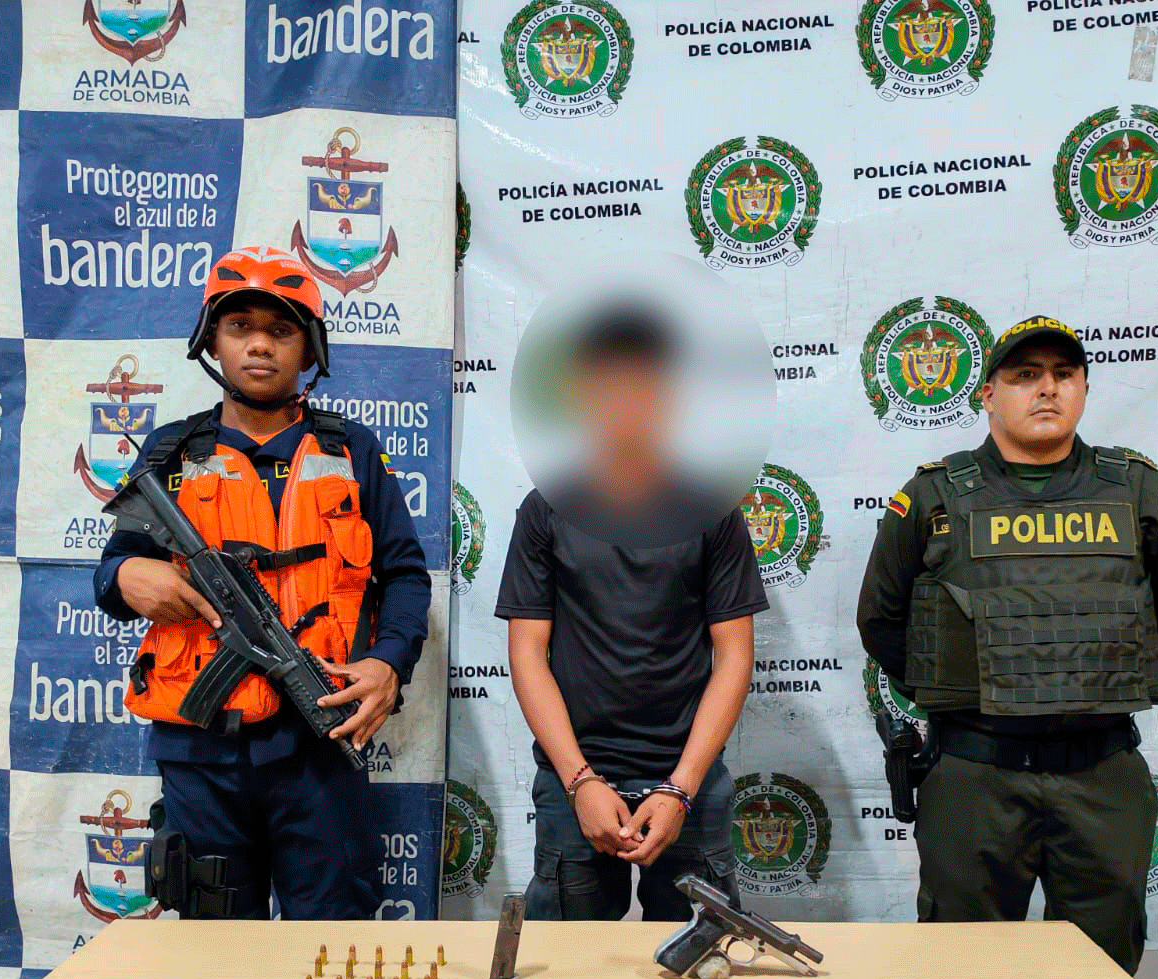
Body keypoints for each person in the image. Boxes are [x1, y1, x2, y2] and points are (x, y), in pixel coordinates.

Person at [94, 245, 431, 928]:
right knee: (214, 949)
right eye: (239, 326)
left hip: (320, 743)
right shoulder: (171, 454)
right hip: (200, 752)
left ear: (310, 350)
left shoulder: (352, 450)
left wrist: (389, 663)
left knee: (328, 941)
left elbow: (404, 575)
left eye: (281, 331)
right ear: (211, 340)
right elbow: (111, 571)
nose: (258, 345)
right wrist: (126, 575)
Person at [856, 315, 1158, 974]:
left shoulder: (1136, 489)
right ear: (988, 394)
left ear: (1085, 389)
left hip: (1101, 771)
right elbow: (882, 621)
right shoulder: (933, 496)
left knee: (1100, 976)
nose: (1047, 389)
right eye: (1025, 375)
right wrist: (965, 688)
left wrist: (1086, 676)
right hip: (975, 772)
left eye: (1064, 374)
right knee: (964, 973)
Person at [496, 306, 767, 924]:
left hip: (689, 777)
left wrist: (680, 788)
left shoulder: (712, 510)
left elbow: (734, 656)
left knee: (700, 968)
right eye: (609, 387)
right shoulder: (546, 510)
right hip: (576, 778)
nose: (626, 405)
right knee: (566, 969)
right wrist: (580, 782)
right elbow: (527, 654)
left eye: (644, 387)